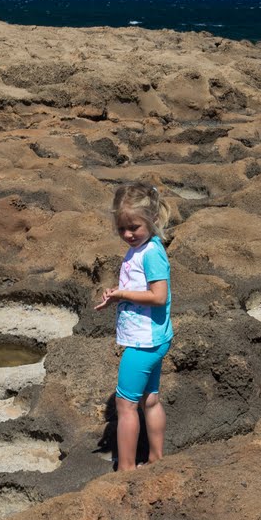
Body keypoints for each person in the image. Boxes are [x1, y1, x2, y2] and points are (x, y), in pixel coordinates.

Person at [94, 182, 173, 471]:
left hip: (144, 342)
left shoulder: (151, 253)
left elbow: (159, 296)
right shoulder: (143, 248)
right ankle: (155, 459)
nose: (128, 234)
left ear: (151, 220)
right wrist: (118, 294)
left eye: (134, 227)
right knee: (149, 401)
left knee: (125, 406)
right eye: (122, 229)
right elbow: (141, 288)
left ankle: (126, 471)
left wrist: (123, 295)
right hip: (152, 337)